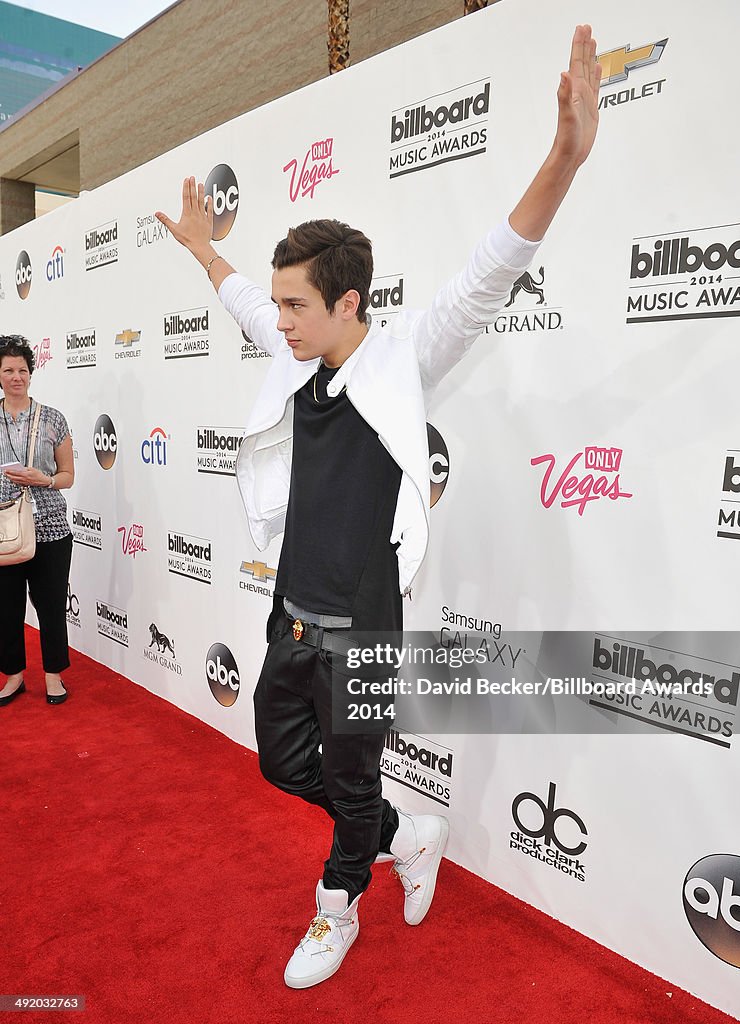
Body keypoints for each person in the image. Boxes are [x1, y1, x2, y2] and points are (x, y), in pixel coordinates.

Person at [156, 25, 601, 988]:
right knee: (284, 765)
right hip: (291, 618)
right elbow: (242, 301)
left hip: (362, 627)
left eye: (296, 307)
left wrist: (563, 160)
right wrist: (205, 254)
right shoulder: (296, 356)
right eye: (279, 306)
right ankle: (407, 832)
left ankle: (338, 903)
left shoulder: (406, 360)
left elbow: (490, 271)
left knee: (352, 779)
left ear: (349, 303)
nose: (278, 321)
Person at [0, 336, 75, 707]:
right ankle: (13, 676)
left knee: (51, 606)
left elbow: (68, 476)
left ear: (31, 373)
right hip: (4, 530)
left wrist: (42, 479)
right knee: (6, 608)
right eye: (8, 370)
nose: (17, 377)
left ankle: (53, 676)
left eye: (23, 370)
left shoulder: (52, 419)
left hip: (51, 529)